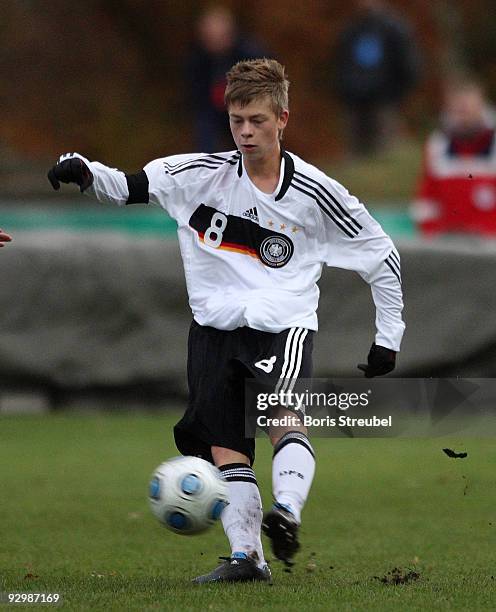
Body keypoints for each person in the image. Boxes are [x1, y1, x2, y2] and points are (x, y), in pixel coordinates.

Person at [47, 58, 405, 584]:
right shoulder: (198, 175)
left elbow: (381, 254)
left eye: (257, 120)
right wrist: (81, 170)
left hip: (281, 322)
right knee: (223, 447)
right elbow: (128, 185)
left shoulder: (316, 193)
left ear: (283, 118)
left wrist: (387, 337)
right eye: (237, 120)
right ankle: (247, 557)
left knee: (282, 413)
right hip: (213, 329)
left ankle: (285, 511)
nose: (245, 132)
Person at [412, 80, 496, 236]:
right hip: (450, 244)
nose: (463, 113)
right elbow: (426, 199)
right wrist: (432, 236)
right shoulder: (438, 145)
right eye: (458, 109)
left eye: (468, 107)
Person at [334, 0, 418, 156]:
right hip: (355, 98)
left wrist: (398, 90)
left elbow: (406, 62)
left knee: (385, 152)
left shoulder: (394, 28)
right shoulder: (352, 29)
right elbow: (341, 62)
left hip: (385, 97)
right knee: (357, 154)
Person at [187, 6, 266, 152]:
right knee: (205, 130)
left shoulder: (250, 54)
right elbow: (197, 95)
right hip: (214, 111)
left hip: (247, 106)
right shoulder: (198, 60)